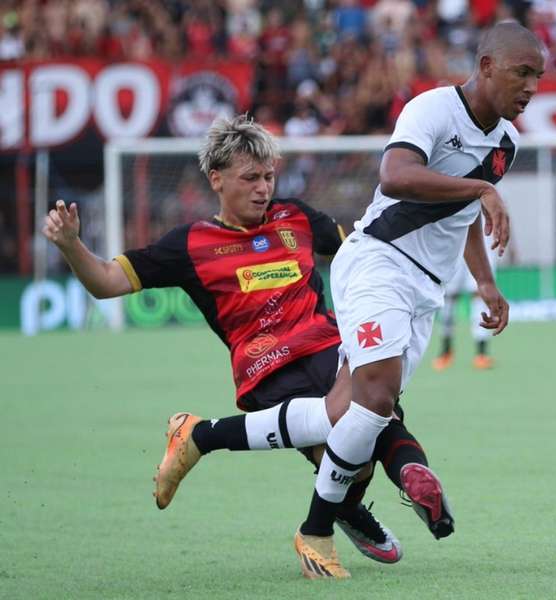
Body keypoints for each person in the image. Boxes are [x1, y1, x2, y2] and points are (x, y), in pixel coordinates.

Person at [41, 114, 443, 575]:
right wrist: (72, 246)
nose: (263, 188)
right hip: (267, 368)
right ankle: (330, 514)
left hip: (329, 348)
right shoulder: (188, 244)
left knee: (371, 415)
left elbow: (361, 255)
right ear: (217, 180)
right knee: (347, 450)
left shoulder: (297, 218)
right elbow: (107, 282)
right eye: (250, 178)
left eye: (268, 176)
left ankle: (334, 507)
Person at [292, 22, 546, 579]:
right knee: (377, 398)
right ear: (486, 67)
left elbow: (459, 216)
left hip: (426, 290)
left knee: (344, 413)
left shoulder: (507, 143)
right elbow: (398, 175)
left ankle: (205, 435)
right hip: (378, 261)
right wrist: (482, 191)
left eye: (538, 77)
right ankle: (316, 531)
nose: (531, 87)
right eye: (522, 73)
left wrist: (484, 281)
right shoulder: (432, 109)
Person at [432, 238, 500, 370]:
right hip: (455, 234)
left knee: (480, 293)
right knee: (449, 295)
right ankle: (446, 348)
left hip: (482, 236)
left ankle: (481, 351)